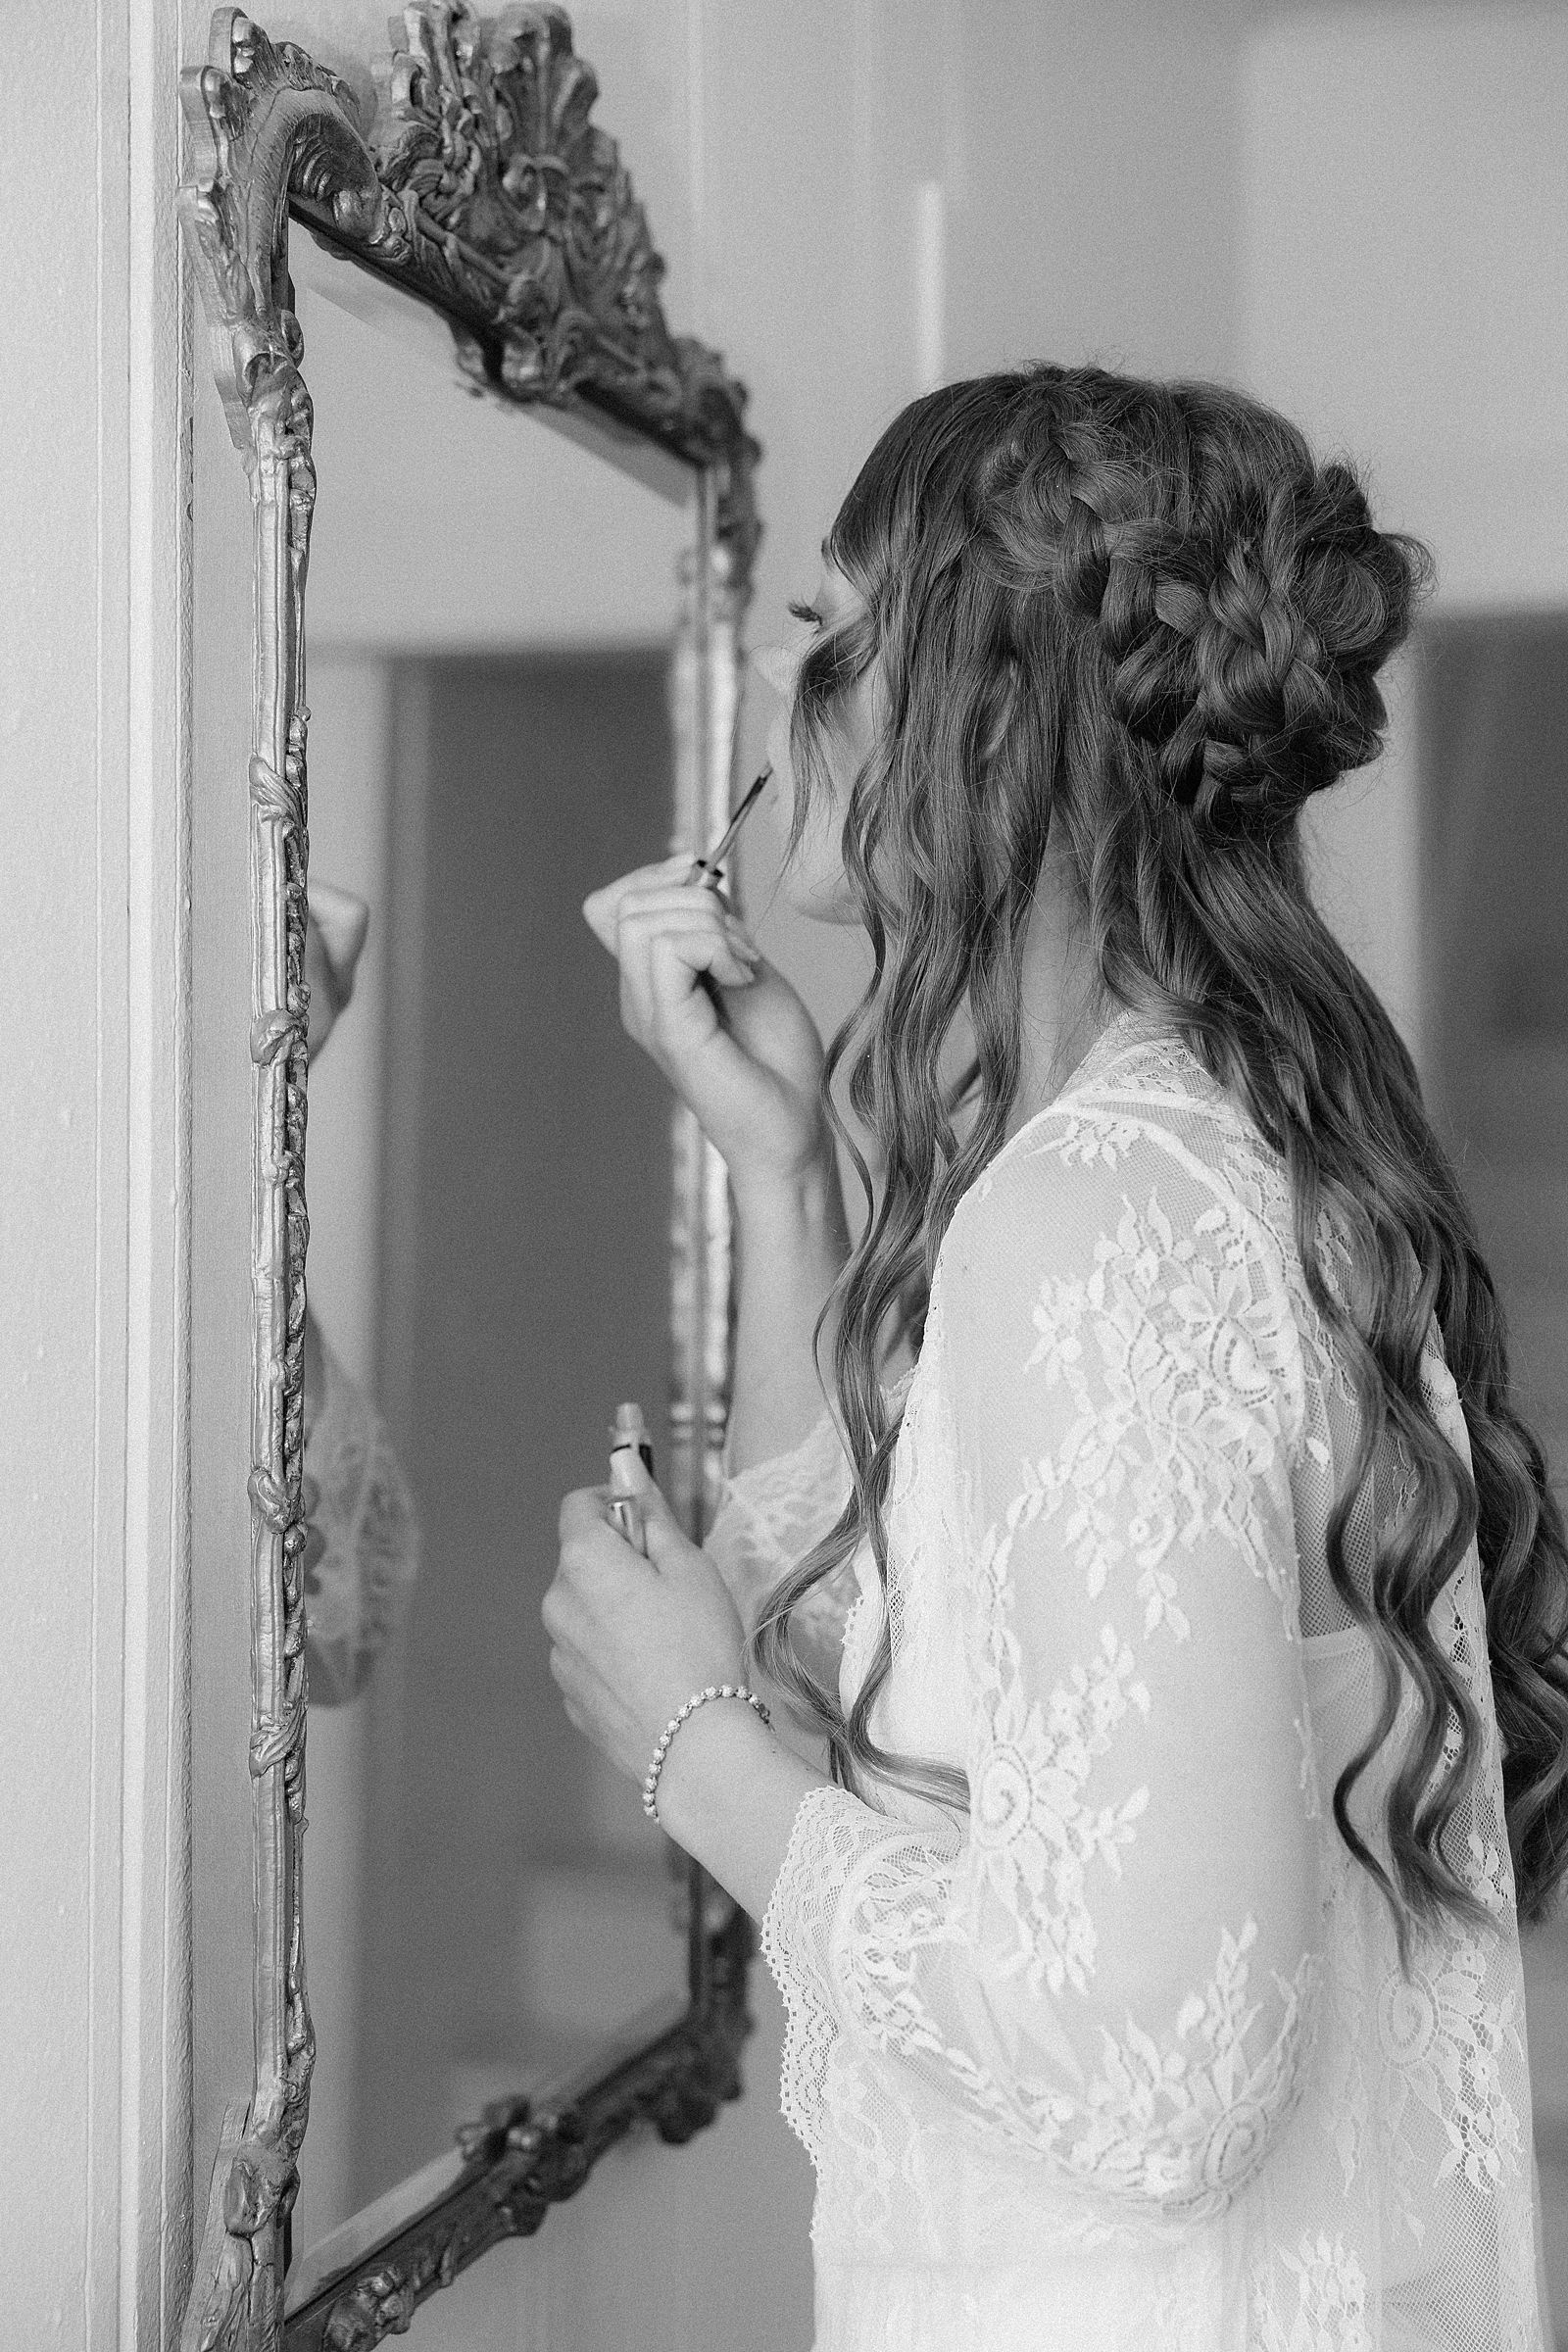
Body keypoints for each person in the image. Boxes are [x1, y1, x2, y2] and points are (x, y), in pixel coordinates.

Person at [541, 365, 1568, 2349]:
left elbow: (1153, 2072)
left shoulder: (1097, 1219)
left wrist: (685, 1746)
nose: (779, 689)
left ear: (991, 703)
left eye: (829, 630)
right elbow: (929, 1690)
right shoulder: (1189, 1153)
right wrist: (780, 1176)